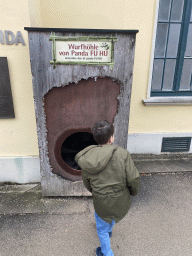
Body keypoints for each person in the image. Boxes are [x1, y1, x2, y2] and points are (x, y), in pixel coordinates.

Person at [75, 120, 140, 256]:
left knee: (101, 227)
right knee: (113, 215)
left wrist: (95, 191)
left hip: (101, 200)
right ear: (111, 138)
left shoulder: (87, 157)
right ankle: (110, 230)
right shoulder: (123, 154)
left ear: (95, 138)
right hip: (120, 197)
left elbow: (87, 181)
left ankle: (107, 252)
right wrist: (133, 192)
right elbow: (133, 178)